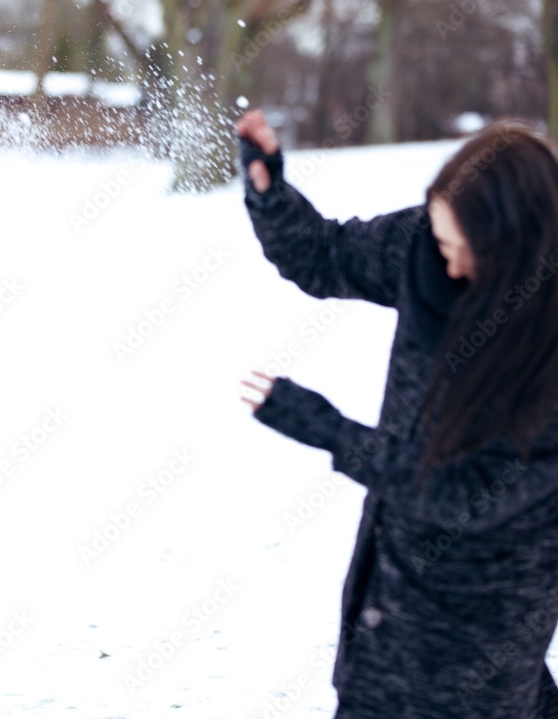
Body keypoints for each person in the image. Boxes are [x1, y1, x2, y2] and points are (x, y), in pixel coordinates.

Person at [236, 109, 558, 718]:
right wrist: (271, 192)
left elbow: (468, 496)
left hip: (490, 621)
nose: (450, 265)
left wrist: (330, 431)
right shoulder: (423, 250)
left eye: (464, 251)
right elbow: (325, 255)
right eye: (441, 240)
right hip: (392, 580)